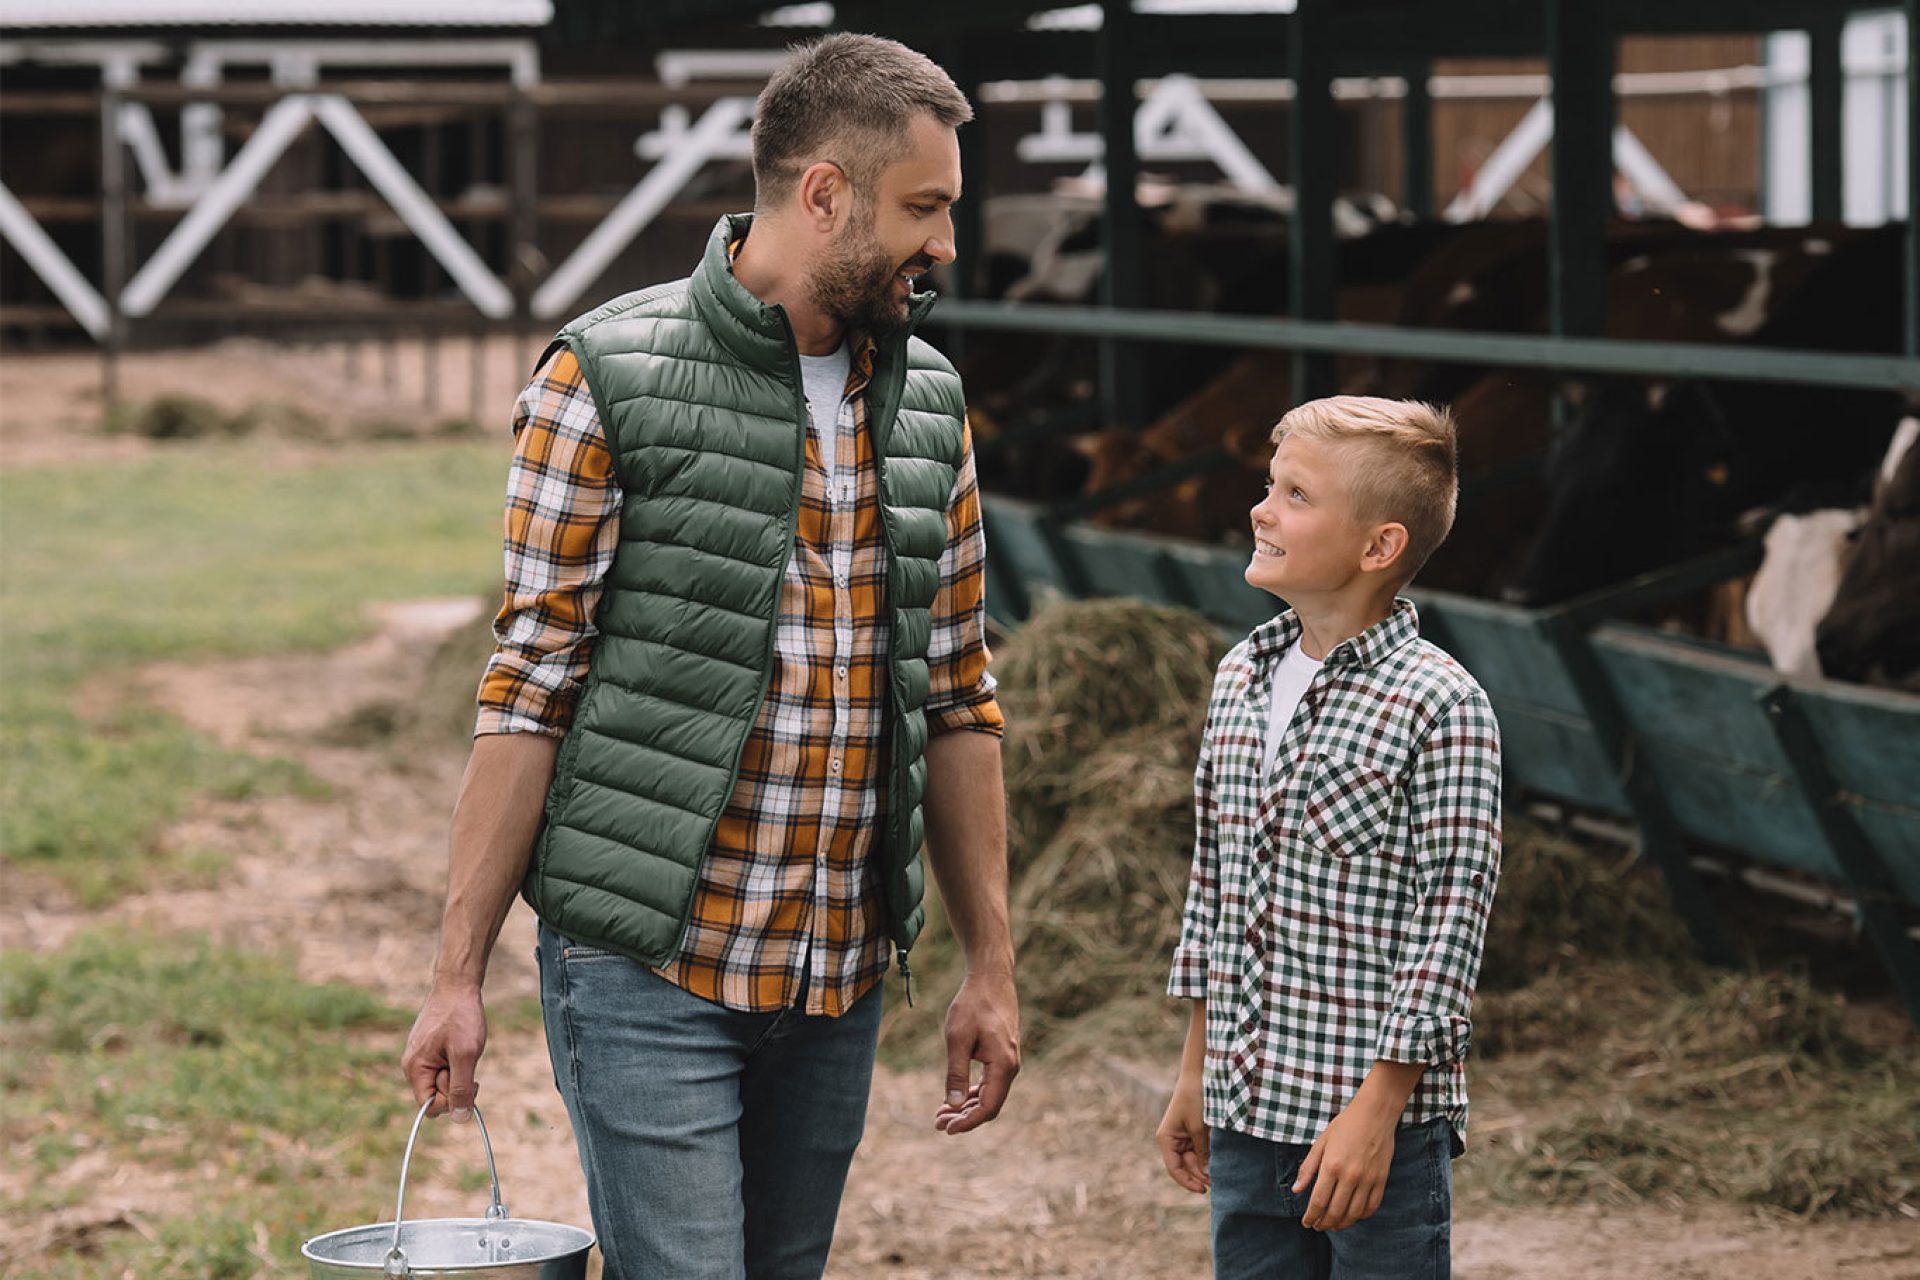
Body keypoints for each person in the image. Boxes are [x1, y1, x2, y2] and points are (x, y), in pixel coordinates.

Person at [401, 34, 1020, 1280]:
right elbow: (528, 688)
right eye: (925, 207)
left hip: (835, 977)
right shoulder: (604, 377)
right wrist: (454, 974)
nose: (946, 244)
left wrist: (990, 966)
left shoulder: (932, 402)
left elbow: (958, 696)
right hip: (648, 966)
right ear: (825, 195)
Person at [1154, 396, 1502, 1279]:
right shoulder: (1240, 676)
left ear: (1378, 547)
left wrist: (1376, 1113)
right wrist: (1194, 1073)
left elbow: (1447, 931)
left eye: (1296, 496)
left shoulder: (1442, 705)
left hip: (1369, 1128)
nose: (1260, 510)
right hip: (1243, 1109)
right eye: (1270, 487)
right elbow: (1217, 891)